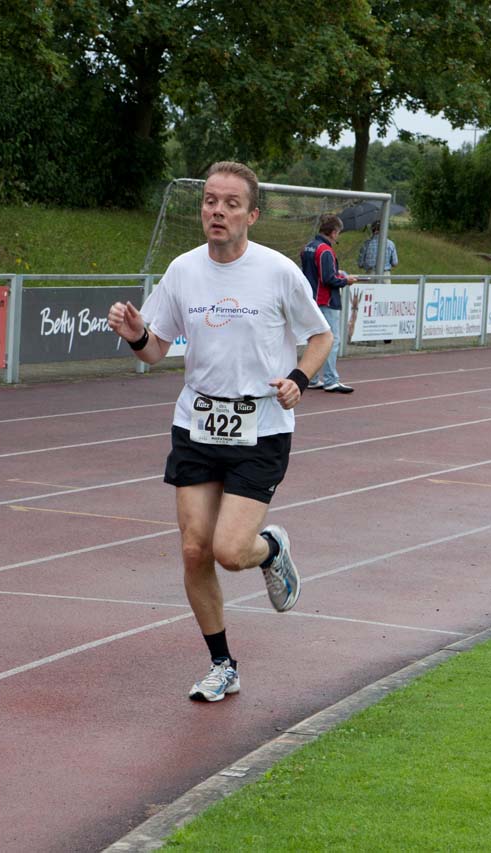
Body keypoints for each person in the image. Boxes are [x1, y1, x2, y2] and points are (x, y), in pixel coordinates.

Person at [107, 161, 333, 703]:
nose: (218, 211)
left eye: (231, 203)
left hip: (262, 427)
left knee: (230, 552)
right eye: (210, 200)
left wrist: (299, 379)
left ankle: (270, 548)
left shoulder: (278, 270)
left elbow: (320, 336)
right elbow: (155, 350)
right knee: (194, 550)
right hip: (197, 423)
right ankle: (222, 664)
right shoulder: (183, 270)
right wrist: (136, 335)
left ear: (251, 215)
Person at [300, 213, 356, 392]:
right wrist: (346, 280)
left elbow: (316, 273)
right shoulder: (325, 250)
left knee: (315, 339)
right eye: (338, 232)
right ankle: (331, 380)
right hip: (326, 300)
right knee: (331, 340)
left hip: (311, 299)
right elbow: (328, 279)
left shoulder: (308, 247)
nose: (338, 236)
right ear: (333, 232)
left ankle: (312, 378)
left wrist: (335, 272)